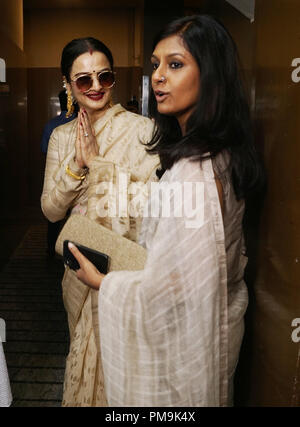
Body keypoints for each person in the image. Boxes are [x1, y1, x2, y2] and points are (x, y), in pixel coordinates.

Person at [68, 15, 263, 407]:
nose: (158, 76)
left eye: (175, 64)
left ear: (211, 73)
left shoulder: (193, 170)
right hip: (215, 327)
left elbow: (173, 291)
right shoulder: (221, 151)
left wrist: (103, 284)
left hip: (189, 344)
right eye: (155, 65)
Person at [40, 37, 159, 406]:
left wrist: (99, 167)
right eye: (83, 80)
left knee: (125, 367)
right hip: (78, 269)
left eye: (103, 77)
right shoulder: (61, 137)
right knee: (84, 350)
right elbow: (50, 210)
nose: (95, 88)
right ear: (68, 84)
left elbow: (153, 206)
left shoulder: (143, 130)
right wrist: (77, 165)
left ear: (114, 78)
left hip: (126, 267)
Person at [41, 90, 77, 257]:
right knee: (75, 217)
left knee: (54, 215)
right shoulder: (81, 122)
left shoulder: (50, 124)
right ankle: (73, 253)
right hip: (79, 178)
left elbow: (44, 150)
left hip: (56, 177)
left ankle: (50, 249)